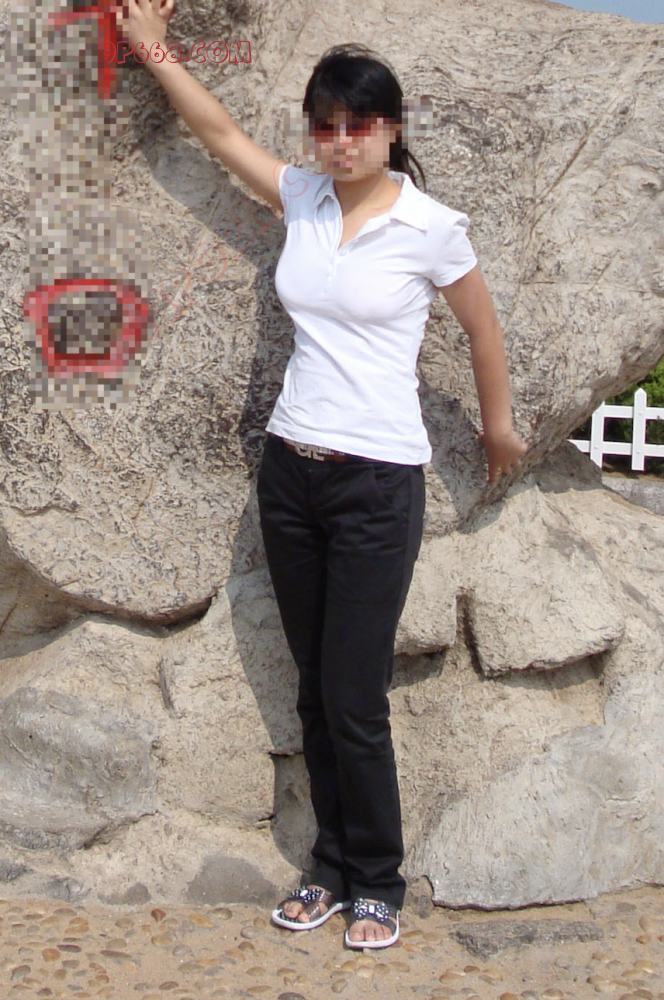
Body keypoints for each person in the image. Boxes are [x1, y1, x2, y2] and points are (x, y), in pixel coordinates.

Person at [118, 0, 529, 950]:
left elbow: (481, 329)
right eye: (326, 126)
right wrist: (152, 48)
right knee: (314, 688)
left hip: (379, 483)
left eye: (359, 126)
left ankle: (376, 878)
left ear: (392, 128)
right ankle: (329, 868)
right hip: (290, 471)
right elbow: (219, 134)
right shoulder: (302, 196)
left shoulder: (430, 226)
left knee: (353, 694)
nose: (342, 143)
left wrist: (500, 428)